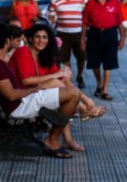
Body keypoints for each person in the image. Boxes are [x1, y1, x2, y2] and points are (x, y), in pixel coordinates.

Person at [0, 22, 92, 159]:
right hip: (19, 106)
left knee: (70, 93)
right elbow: (11, 95)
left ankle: (54, 138)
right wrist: (35, 89)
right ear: (7, 41)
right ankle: (53, 140)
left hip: (24, 101)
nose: (17, 41)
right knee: (73, 93)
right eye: (13, 39)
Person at [9, 23, 105, 152]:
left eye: (45, 37)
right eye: (37, 37)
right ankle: (82, 110)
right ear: (30, 39)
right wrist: (56, 75)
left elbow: (63, 79)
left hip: (36, 93)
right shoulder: (23, 52)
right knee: (57, 86)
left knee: (62, 87)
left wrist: (85, 97)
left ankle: (69, 138)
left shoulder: (43, 55)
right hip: (23, 96)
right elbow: (26, 81)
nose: (41, 40)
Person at [81, 0, 127, 101]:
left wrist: (122, 38)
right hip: (94, 34)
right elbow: (85, 22)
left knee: (108, 63)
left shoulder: (115, 1)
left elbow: (120, 21)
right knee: (94, 63)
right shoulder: (90, 2)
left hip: (110, 34)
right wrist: (82, 39)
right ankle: (99, 83)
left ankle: (105, 91)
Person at [49, 0, 88, 88]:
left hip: (78, 33)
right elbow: (51, 15)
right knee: (64, 58)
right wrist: (50, 27)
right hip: (62, 33)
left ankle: (80, 76)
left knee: (81, 56)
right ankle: (68, 79)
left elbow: (89, 10)